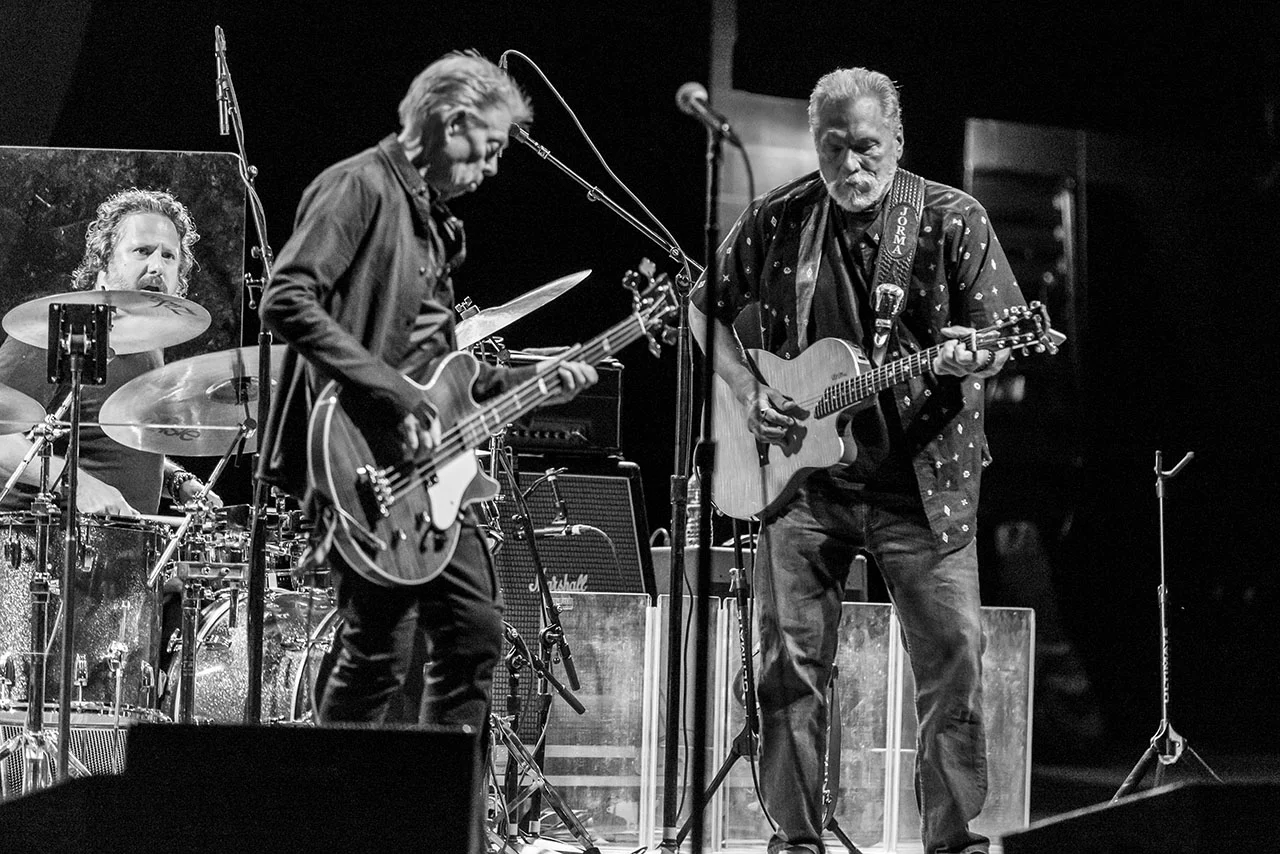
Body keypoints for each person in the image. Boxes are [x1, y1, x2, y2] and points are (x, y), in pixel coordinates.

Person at [257, 50, 596, 853]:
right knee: (378, 651)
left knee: (473, 634)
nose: (494, 166)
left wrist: (536, 381)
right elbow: (286, 297)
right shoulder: (359, 186)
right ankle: (327, 829)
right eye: (491, 146)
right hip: (357, 456)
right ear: (453, 122)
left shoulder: (436, 223)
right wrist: (392, 393)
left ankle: (440, 828)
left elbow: (442, 368)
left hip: (429, 468)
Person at [689, 67, 1025, 854]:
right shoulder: (780, 216)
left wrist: (975, 357)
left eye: (866, 147)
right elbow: (702, 308)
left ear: (897, 140)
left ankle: (953, 842)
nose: (849, 165)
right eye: (833, 147)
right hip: (800, 484)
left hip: (924, 487)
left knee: (954, 666)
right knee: (785, 668)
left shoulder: (953, 218)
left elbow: (1000, 339)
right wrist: (746, 390)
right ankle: (797, 840)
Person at [0, 187, 217, 515]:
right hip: (40, 537)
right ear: (103, 259)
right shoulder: (59, 327)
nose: (157, 266)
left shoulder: (149, 342)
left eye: (169, 256)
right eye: (142, 251)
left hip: (125, 540)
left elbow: (108, 445)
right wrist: (77, 484)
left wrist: (176, 480)